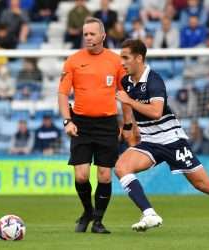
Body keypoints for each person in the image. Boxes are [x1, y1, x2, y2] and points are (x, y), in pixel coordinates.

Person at [115, 39, 209, 237]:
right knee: (122, 167)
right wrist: (128, 124)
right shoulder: (126, 81)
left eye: (125, 57)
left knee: (203, 184)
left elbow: (156, 111)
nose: (121, 62)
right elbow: (125, 102)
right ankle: (149, 214)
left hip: (172, 140)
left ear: (139, 58)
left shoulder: (154, 81)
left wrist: (129, 101)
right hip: (149, 141)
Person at [58, 17, 125, 234]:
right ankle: (87, 211)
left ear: (103, 36)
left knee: (105, 175)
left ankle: (98, 221)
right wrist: (67, 120)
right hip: (81, 123)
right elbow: (62, 93)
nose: (88, 37)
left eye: (92, 34)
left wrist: (129, 124)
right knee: (81, 175)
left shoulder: (116, 62)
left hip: (107, 123)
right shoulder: (73, 61)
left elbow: (124, 95)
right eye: (85, 34)